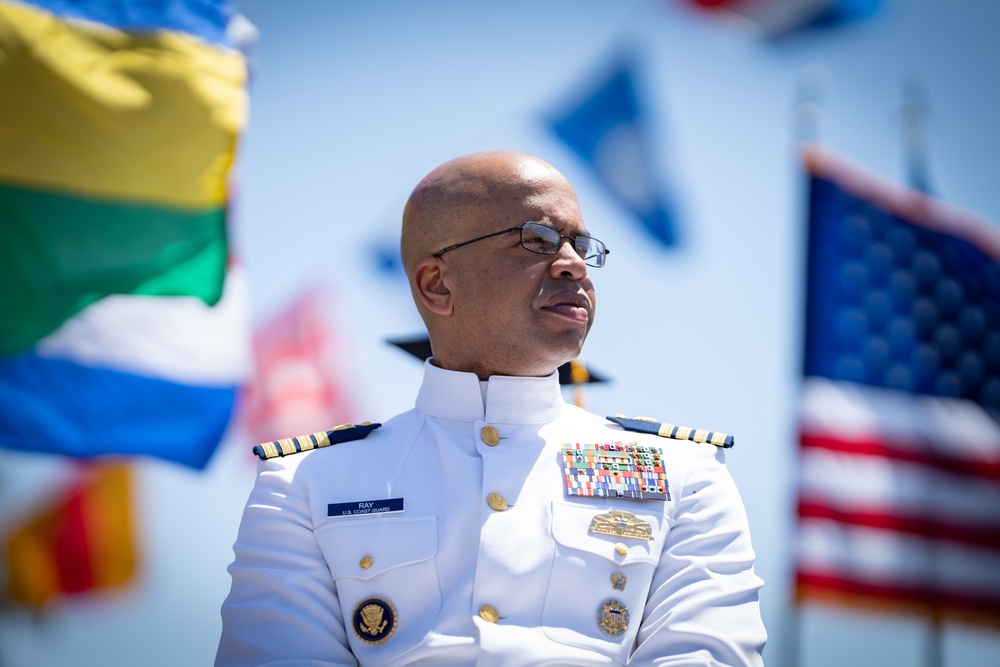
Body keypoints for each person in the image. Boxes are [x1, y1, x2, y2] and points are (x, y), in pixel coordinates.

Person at [216, 150, 766, 666]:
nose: (574, 265)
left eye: (580, 243)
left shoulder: (686, 475)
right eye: (537, 240)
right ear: (436, 285)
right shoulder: (302, 483)